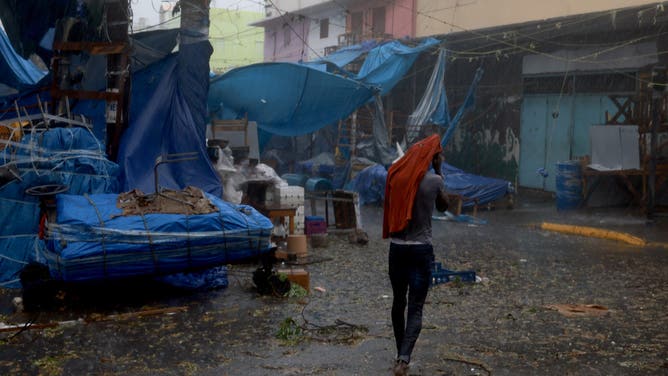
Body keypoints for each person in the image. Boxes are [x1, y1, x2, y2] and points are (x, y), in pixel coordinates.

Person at [382, 134, 449, 376]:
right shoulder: (434, 181)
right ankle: (403, 358)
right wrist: (439, 169)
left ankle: (400, 353)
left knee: (398, 301)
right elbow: (444, 206)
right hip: (421, 250)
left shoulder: (396, 177)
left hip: (397, 249)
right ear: (432, 157)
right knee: (416, 307)